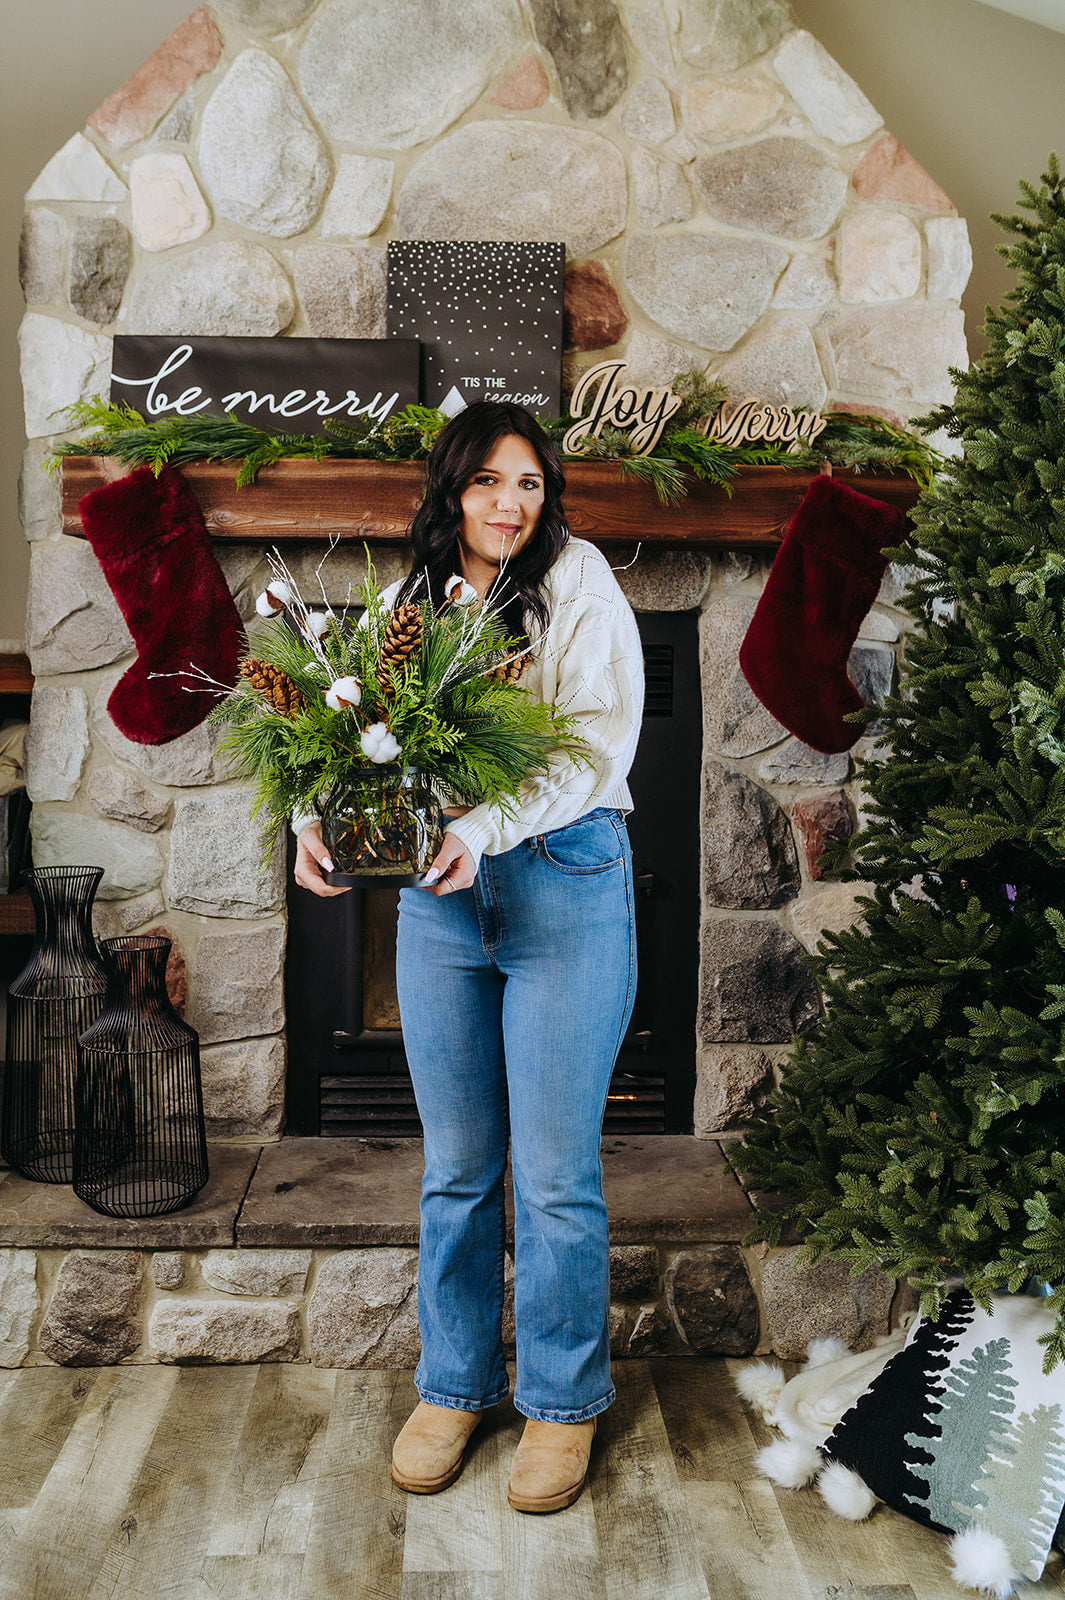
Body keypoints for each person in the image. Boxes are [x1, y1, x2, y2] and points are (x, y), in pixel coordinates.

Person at [294, 402, 644, 1514]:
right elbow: (350, 733)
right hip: (442, 904)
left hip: (563, 885)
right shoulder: (409, 603)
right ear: (452, 491)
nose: (510, 502)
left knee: (554, 1177)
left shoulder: (580, 585)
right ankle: (454, 1386)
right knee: (455, 1169)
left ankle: (561, 1403)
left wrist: (482, 829)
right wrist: (311, 816)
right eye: (489, 480)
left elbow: (591, 745)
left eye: (529, 483)